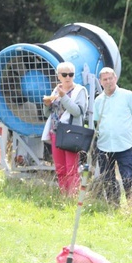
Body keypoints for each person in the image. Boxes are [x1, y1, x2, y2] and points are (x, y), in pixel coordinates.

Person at [93, 67, 132, 206]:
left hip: (124, 144)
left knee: (127, 178)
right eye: (105, 79)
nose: (108, 82)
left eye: (110, 78)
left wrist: (126, 129)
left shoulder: (128, 95)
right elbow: (97, 121)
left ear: (115, 78)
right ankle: (113, 206)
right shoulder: (98, 100)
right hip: (104, 145)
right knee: (107, 180)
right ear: (100, 82)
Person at [41, 62, 89, 196]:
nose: (68, 77)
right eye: (64, 74)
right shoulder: (56, 90)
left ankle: (72, 196)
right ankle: (63, 195)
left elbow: (77, 111)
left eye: (71, 74)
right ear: (59, 76)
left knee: (71, 168)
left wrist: (63, 97)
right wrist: (46, 105)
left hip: (71, 133)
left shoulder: (80, 91)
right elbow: (47, 114)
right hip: (55, 132)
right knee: (60, 168)